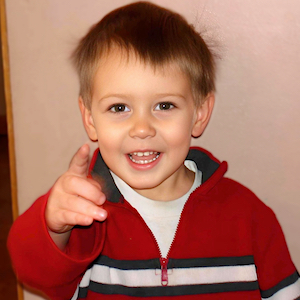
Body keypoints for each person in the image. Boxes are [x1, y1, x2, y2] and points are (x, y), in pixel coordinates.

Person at [7, 2, 300, 300]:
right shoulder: (84, 217)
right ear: (90, 119)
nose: (142, 128)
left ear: (199, 113)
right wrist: (54, 227)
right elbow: (32, 272)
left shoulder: (248, 217)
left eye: (164, 105)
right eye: (119, 107)